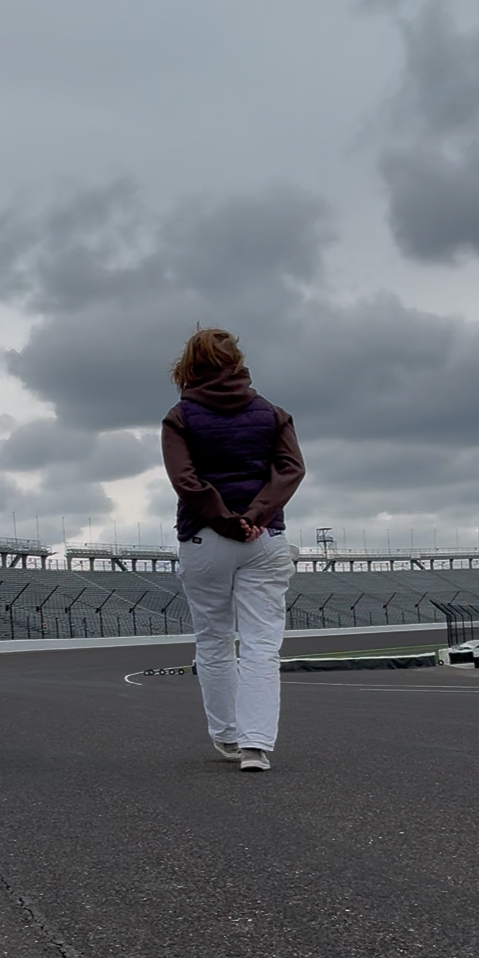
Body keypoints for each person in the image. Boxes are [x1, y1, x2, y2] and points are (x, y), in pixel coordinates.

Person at [162, 326, 305, 772]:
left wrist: (225, 519)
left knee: (214, 640)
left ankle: (226, 736)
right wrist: (256, 516)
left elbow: (184, 481)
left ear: (187, 368)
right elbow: (291, 468)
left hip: (206, 539)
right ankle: (256, 746)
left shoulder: (180, 417)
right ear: (238, 363)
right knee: (262, 645)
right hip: (264, 539)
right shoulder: (272, 413)